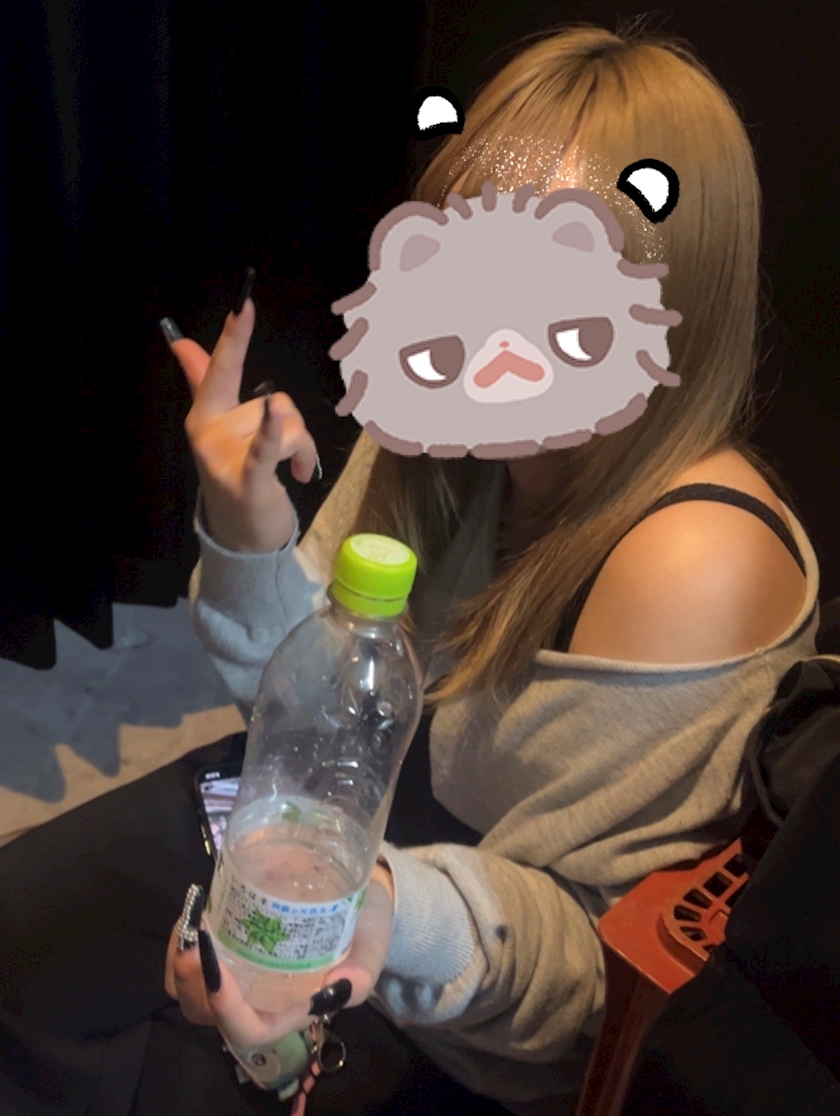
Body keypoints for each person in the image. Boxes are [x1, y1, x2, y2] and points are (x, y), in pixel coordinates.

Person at [0, 23, 819, 1116]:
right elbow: (301, 708)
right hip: (324, 817)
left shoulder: (690, 560)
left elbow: (592, 978)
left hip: (468, 994)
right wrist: (248, 529)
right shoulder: (435, 413)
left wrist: (387, 906)